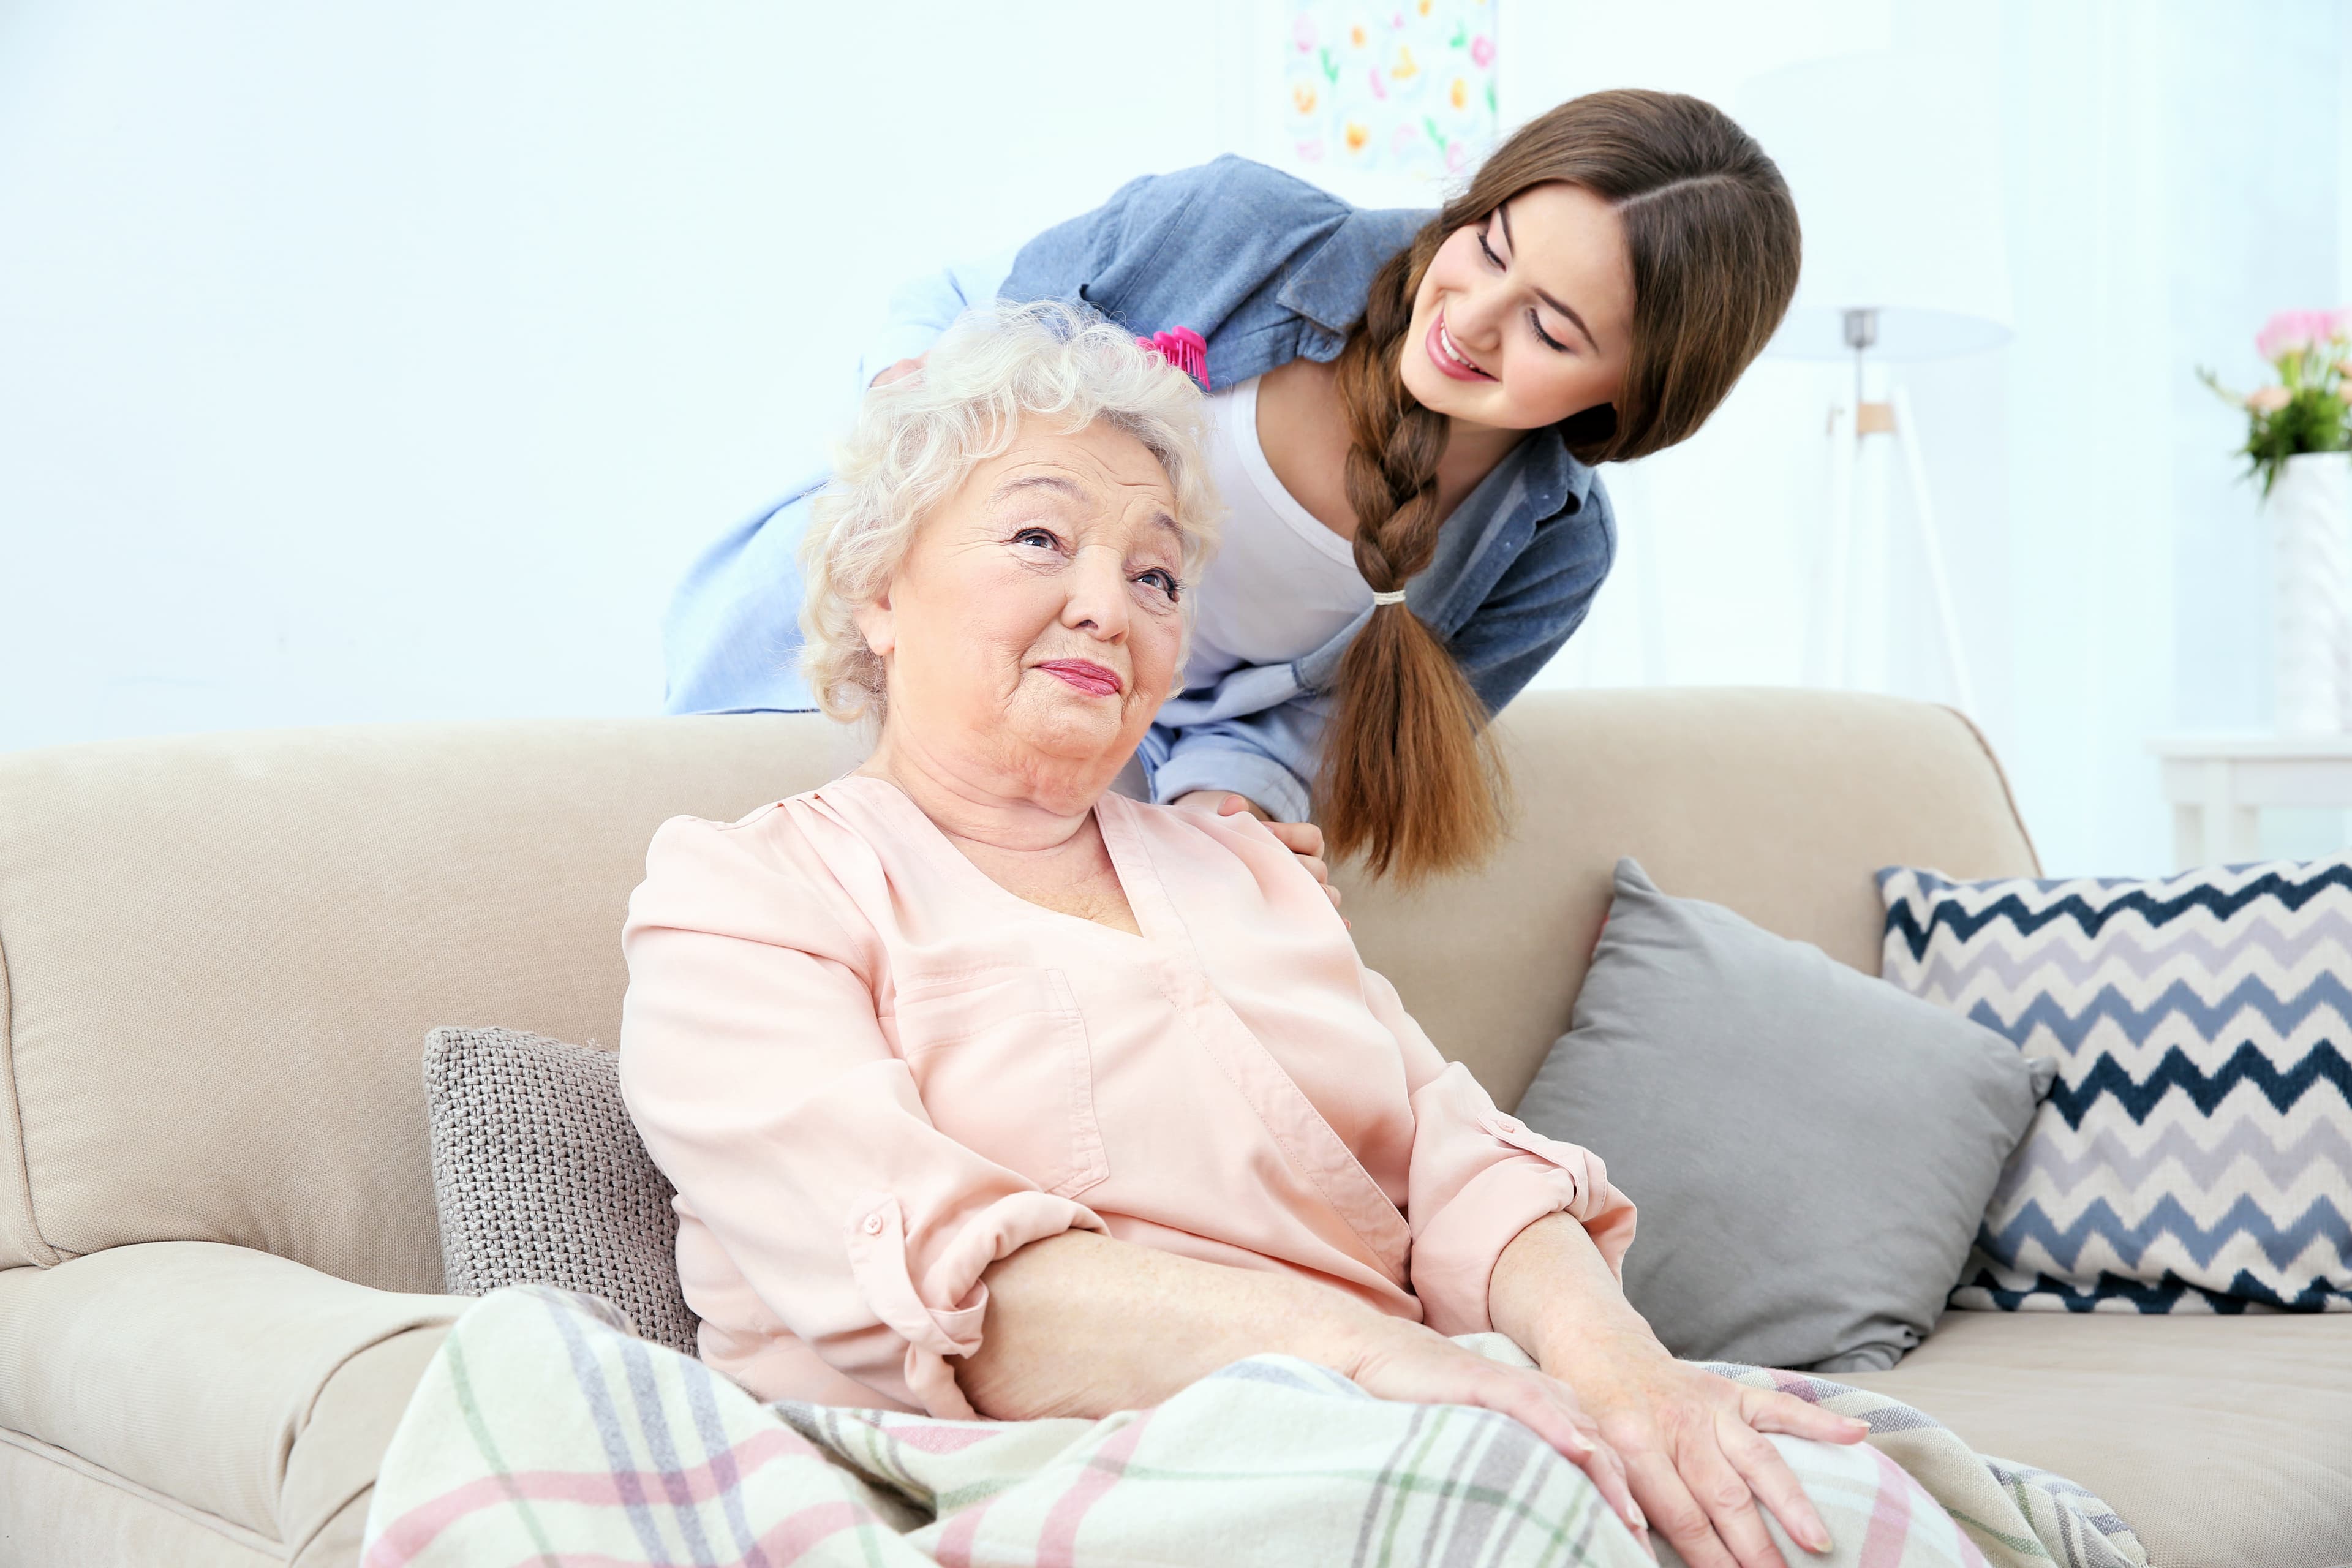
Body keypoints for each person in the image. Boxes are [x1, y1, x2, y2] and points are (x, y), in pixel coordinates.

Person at [621, 302, 1868, 1568]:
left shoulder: (1243, 869)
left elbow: (1462, 1161)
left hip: (1399, 1421)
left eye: (1155, 574)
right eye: (1040, 536)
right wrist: (1387, 1360)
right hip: (1036, 1471)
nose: (1108, 606)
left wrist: (1630, 1379)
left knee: (1826, 1490)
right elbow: (954, 1288)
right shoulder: (746, 898)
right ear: (878, 587)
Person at [662, 89, 1800, 882]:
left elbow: (1308, 734)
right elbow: (965, 326)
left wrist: (1230, 815)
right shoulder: (1239, 234)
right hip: (865, 667)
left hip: (1083, 772)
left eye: (1551, 329)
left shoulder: (1548, 551)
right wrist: (934, 403)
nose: (1473, 322)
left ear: (1631, 396)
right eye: (1492, 248)